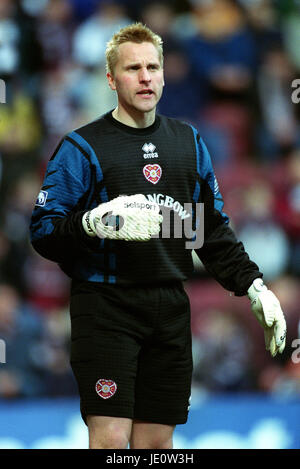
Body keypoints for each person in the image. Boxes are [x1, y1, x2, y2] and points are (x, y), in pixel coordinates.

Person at [29, 22, 287, 449]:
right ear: (111, 79)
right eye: (133, 68)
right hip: (105, 308)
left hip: (168, 308)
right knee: (111, 443)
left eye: (153, 66)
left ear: (165, 74)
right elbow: (43, 230)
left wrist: (254, 286)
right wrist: (92, 224)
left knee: (156, 448)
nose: (145, 76)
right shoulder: (82, 147)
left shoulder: (188, 143)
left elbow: (206, 230)